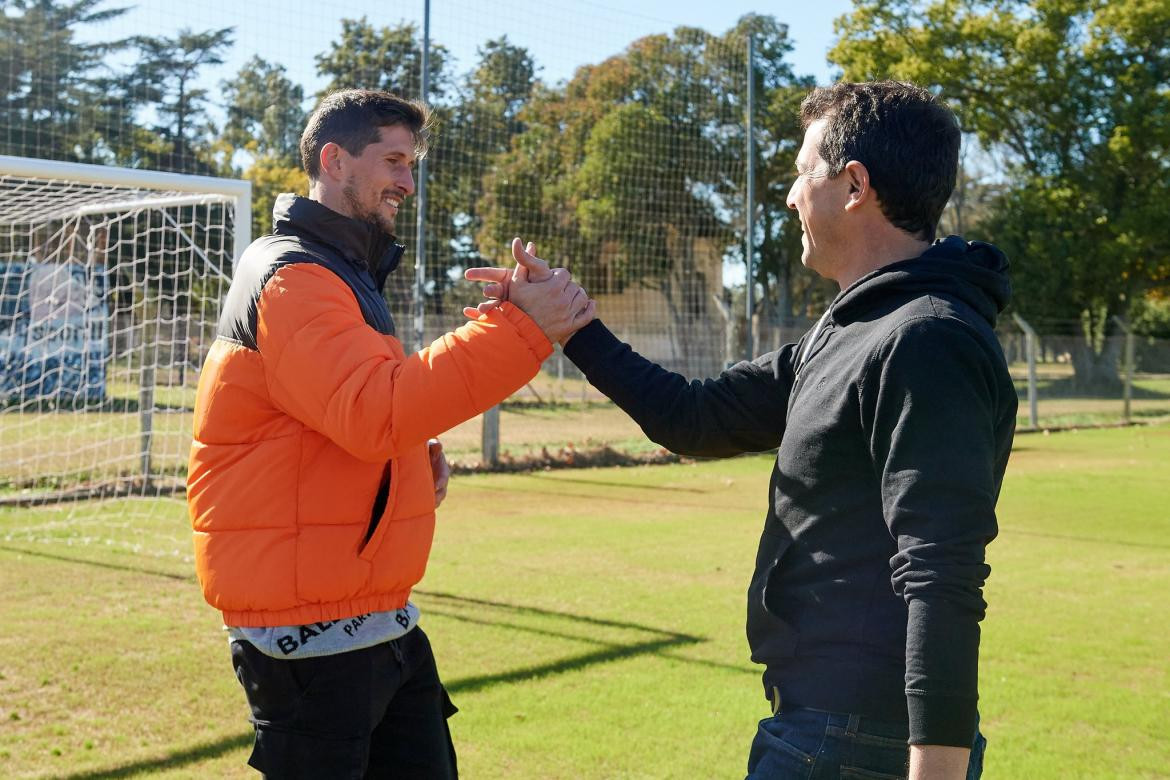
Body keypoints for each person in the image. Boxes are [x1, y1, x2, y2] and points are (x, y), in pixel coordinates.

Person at [468, 81, 1015, 779]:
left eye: (799, 171)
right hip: (816, 726)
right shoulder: (852, 328)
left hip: (860, 743)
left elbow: (941, 570)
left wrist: (936, 767)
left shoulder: (927, 339)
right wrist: (570, 323)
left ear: (853, 185)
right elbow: (694, 418)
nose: (790, 197)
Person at [187, 88, 593, 778]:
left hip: (381, 623)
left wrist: (407, 469)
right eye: (395, 161)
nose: (409, 180)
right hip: (310, 645)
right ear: (334, 160)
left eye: (413, 163)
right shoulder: (293, 277)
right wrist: (524, 326)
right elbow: (375, 413)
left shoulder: (342, 273)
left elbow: (349, 424)